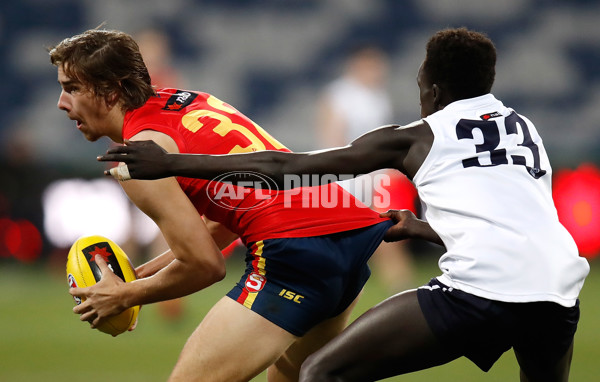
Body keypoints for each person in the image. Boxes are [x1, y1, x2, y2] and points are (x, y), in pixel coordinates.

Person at [100, 28, 590, 382]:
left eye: (421, 87)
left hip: (479, 293)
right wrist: (423, 229)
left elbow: (284, 169)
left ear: (434, 89)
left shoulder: (419, 135)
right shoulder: (524, 129)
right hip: (559, 290)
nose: (419, 98)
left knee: (322, 372)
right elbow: (522, 222)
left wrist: (172, 163)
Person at [49, 28, 396, 382]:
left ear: (111, 89)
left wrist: (125, 296)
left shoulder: (138, 158)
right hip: (348, 232)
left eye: (72, 88)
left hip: (294, 250)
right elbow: (234, 210)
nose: (62, 103)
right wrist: (141, 274)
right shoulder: (187, 100)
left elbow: (204, 265)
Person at [316, 42, 417, 292]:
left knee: (387, 227)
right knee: (356, 232)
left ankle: (399, 284)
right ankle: (398, 286)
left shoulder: (376, 96)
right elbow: (332, 136)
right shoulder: (340, 95)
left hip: (375, 176)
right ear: (359, 65)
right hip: (350, 177)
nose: (379, 72)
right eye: (374, 66)